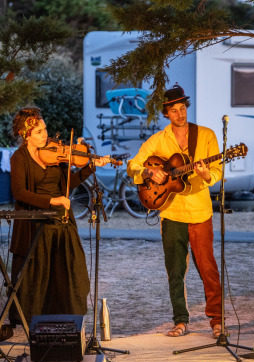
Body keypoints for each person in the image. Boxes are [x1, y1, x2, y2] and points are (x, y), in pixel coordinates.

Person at [127, 85, 223, 338]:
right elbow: (133, 165)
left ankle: (217, 320)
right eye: (174, 110)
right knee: (175, 270)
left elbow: (218, 171)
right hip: (170, 211)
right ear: (166, 113)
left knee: (208, 268)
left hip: (200, 211)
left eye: (182, 108)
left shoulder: (206, 135)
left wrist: (207, 174)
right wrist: (149, 172)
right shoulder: (158, 140)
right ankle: (180, 320)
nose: (180, 114)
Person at [9, 107, 111, 326]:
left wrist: (90, 167)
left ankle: (64, 318)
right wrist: (51, 201)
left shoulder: (56, 153)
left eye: (44, 129)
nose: (45, 135)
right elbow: (19, 193)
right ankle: (33, 321)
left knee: (66, 272)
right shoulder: (19, 158)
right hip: (35, 224)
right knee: (39, 276)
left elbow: (67, 184)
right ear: (25, 134)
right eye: (38, 131)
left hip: (61, 222)